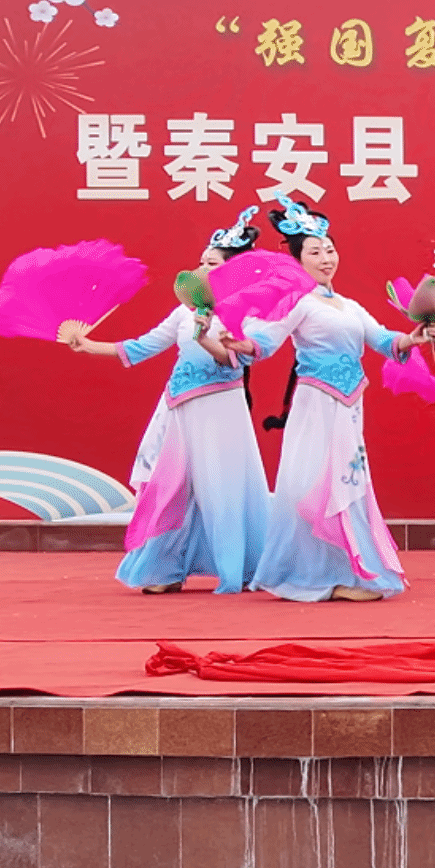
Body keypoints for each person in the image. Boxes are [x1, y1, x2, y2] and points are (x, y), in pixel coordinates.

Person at [232, 199, 435, 601]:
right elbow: (266, 341)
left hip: (349, 405)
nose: (326, 259)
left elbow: (381, 339)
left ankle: (343, 571)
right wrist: (239, 343)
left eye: (329, 250)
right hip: (316, 403)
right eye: (315, 252)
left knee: (347, 481)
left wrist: (412, 338)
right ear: (297, 260)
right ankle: (313, 574)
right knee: (311, 482)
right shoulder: (298, 301)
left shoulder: (349, 306)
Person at [67, 208, 269, 594]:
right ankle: (165, 567)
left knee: (222, 487)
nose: (201, 269)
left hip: (220, 409)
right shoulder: (185, 313)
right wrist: (89, 345)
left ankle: (239, 567)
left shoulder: (249, 313)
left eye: (211, 264)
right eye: (201, 262)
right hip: (178, 409)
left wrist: (207, 336)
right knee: (173, 485)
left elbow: (234, 360)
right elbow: (142, 346)